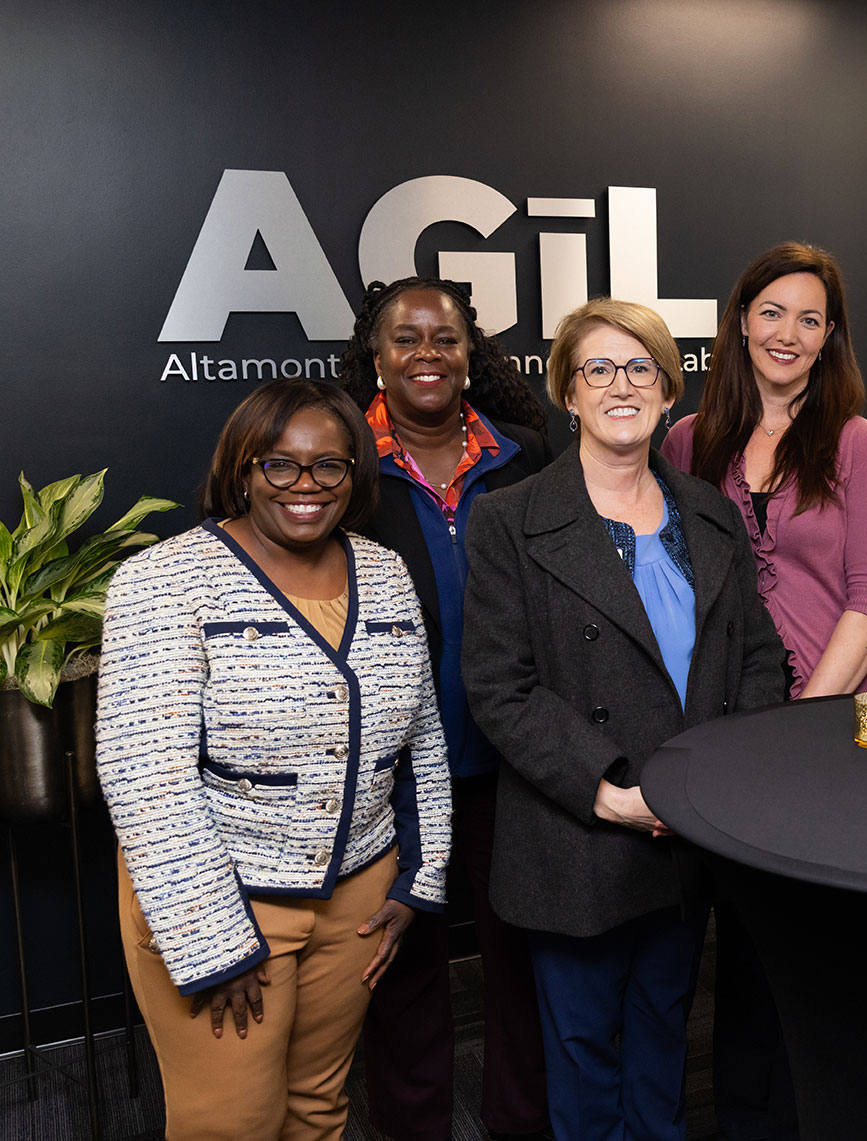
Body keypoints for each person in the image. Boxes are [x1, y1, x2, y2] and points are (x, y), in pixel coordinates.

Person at [462, 298, 789, 1141]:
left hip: (687, 829)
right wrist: (607, 791)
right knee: (582, 1052)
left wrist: (717, 779)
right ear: (567, 393)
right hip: (579, 832)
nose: (621, 385)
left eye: (641, 367)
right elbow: (498, 685)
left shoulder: (711, 514)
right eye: (598, 368)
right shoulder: (507, 521)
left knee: (663, 1033)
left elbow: (758, 658)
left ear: (669, 389)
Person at [96, 378, 453, 1140]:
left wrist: (420, 877)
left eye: (329, 465)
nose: (305, 484)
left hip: (358, 898)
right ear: (243, 467)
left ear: (354, 472)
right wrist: (215, 943)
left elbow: (420, 736)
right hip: (225, 897)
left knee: (317, 1106)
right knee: (232, 1123)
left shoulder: (384, 571)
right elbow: (145, 775)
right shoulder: (164, 580)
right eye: (280, 464)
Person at [661, 241, 867, 1139]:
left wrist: (801, 724)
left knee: (812, 948)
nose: (787, 333)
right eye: (771, 312)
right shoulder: (687, 441)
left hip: (829, 729)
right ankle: (742, 1118)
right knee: (741, 941)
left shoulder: (854, 442)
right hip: (725, 726)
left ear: (830, 336)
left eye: (809, 318)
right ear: (740, 322)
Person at [338, 277, 553, 1141]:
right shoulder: (342, 464)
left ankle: (519, 1122)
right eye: (405, 338)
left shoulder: (525, 454)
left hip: (514, 759)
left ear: (471, 354)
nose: (426, 353)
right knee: (403, 966)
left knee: (520, 959)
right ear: (376, 356)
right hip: (392, 771)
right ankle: (412, 1127)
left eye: (446, 337)